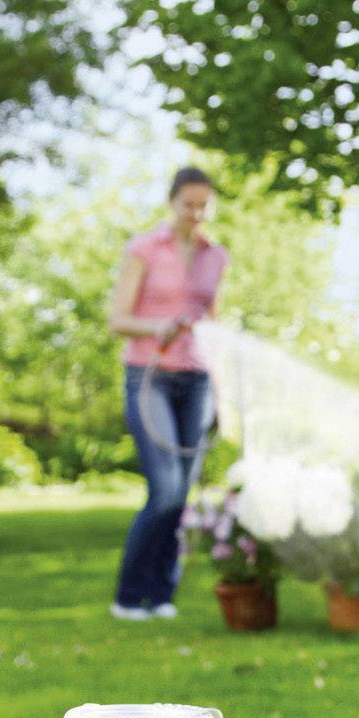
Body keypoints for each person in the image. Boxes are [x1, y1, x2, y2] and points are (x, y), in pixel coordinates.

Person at [106, 165, 229, 619]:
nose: (196, 213)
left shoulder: (216, 255)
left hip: (197, 380)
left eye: (204, 205)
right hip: (150, 375)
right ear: (171, 203)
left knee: (185, 494)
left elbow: (212, 319)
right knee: (166, 490)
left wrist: (221, 382)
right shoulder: (144, 249)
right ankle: (128, 594)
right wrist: (158, 326)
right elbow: (118, 318)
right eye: (188, 205)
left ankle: (161, 595)